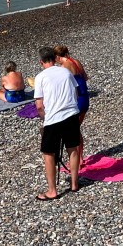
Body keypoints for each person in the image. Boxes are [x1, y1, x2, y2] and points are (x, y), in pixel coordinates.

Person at [34, 46, 81, 200]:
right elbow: (76, 92)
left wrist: (44, 118)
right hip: (71, 113)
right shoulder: (66, 71)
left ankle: (52, 190)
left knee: (48, 153)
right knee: (72, 148)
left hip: (54, 117)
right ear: (54, 59)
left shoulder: (40, 77)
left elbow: (39, 105)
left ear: (41, 62)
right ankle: (74, 183)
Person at [54, 45, 91, 167]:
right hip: (85, 97)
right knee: (77, 129)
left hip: (77, 100)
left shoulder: (64, 67)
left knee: (73, 131)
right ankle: (80, 157)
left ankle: (77, 160)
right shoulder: (76, 62)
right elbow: (85, 77)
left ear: (58, 57)